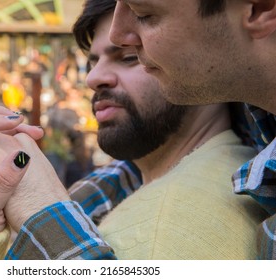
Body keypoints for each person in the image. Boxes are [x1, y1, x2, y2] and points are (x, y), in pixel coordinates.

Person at [0, 0, 267, 259]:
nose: (93, 79)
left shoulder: (170, 224)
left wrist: (40, 208)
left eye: (129, 58)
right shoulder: (120, 185)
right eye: (92, 61)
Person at [108, 0, 276, 259]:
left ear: (258, 8)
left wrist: (42, 216)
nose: (117, 34)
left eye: (144, 14)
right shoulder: (256, 118)